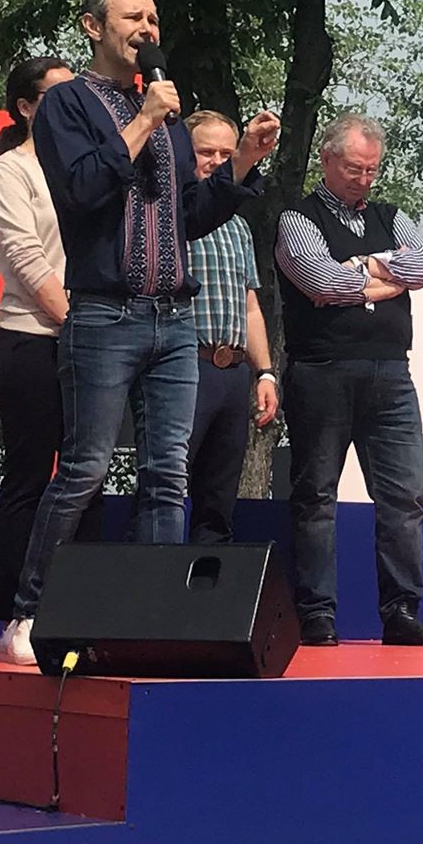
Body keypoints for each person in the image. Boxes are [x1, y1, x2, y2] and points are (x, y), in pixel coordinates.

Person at [0, 0, 279, 663]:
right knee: (85, 467)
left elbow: (189, 216)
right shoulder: (68, 104)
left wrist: (241, 162)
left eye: (154, 17)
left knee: (167, 475)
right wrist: (146, 119)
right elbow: (84, 188)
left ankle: (152, 621)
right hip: (104, 314)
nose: (148, 28)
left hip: (174, 317)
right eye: (133, 16)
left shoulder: (168, 115)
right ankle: (29, 611)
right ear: (94, 27)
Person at [275, 113, 423, 647]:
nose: (363, 179)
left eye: (372, 170)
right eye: (354, 168)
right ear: (327, 160)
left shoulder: (391, 215)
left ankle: (402, 611)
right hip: (323, 369)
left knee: (404, 496)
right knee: (316, 496)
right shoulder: (298, 218)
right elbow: (319, 281)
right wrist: (386, 277)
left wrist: (363, 267)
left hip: (392, 371)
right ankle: (317, 613)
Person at [0, 56, 107, 621]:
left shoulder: (91, 166)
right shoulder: (12, 170)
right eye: (57, 97)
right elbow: (25, 257)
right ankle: (19, 614)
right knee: (31, 477)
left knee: (90, 477)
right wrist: (76, 320)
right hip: (33, 338)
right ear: (26, 108)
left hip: (95, 341)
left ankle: (81, 612)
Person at [183, 111, 279, 543]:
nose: (218, 161)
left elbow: (250, 305)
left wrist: (265, 372)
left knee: (219, 502)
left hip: (233, 371)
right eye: (207, 152)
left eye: (227, 153)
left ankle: (208, 582)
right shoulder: (173, 218)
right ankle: (154, 579)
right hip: (185, 365)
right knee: (166, 488)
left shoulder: (239, 226)